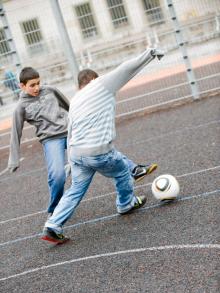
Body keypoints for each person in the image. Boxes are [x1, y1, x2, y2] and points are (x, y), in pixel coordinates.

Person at [42, 48, 164, 244]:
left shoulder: (75, 101)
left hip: (77, 154)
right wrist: (149, 54)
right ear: (93, 80)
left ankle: (53, 225)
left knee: (75, 190)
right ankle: (126, 203)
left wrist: (70, 163)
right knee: (123, 171)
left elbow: (70, 132)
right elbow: (125, 69)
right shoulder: (99, 85)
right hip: (97, 151)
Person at [8, 67, 157, 218]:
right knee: (57, 176)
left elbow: (71, 106)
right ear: (22, 86)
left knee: (100, 149)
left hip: (71, 133)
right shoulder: (20, 107)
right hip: (51, 140)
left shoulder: (50, 90)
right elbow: (16, 132)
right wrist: (14, 160)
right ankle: (55, 209)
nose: (37, 87)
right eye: (32, 85)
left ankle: (134, 170)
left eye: (38, 83)